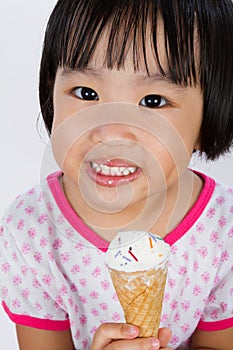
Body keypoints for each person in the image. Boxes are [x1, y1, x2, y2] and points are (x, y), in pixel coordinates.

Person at [0, 0, 233, 349]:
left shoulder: (223, 231)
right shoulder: (31, 232)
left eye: (153, 101)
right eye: (86, 93)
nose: (110, 132)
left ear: (211, 114)